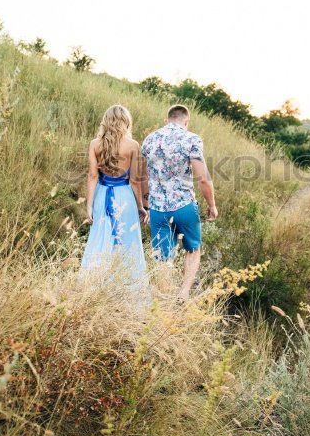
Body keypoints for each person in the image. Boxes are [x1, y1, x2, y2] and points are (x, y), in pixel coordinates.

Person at [141, 104, 218, 301]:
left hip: (157, 209)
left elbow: (141, 177)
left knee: (162, 258)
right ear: (186, 121)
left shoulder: (150, 139)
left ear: (167, 120)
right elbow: (203, 178)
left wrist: (146, 205)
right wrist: (212, 205)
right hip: (183, 206)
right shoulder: (191, 139)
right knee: (193, 249)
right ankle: (183, 294)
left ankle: (164, 298)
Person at [80, 105, 149, 297]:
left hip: (102, 195)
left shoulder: (95, 144)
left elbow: (92, 176)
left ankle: (93, 288)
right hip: (124, 197)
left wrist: (89, 204)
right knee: (127, 240)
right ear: (126, 122)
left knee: (100, 238)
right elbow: (135, 180)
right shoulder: (133, 145)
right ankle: (126, 292)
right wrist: (141, 207)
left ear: (106, 120)